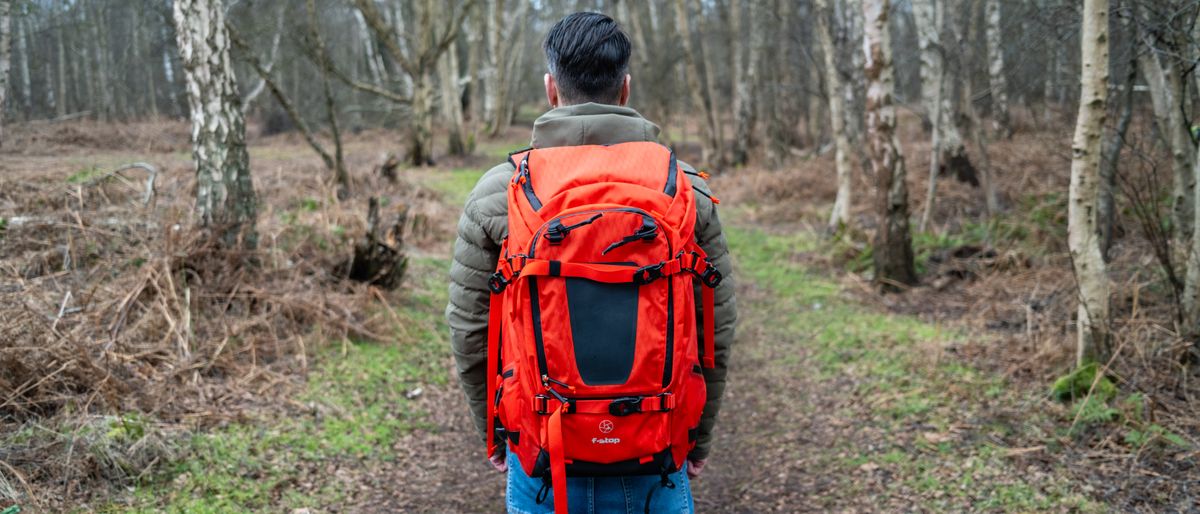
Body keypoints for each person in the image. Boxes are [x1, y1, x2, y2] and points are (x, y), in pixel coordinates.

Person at [446, 12, 737, 513]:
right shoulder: (685, 187)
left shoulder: (501, 191)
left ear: (550, 88)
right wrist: (696, 438)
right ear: (625, 89)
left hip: (542, 453)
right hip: (658, 446)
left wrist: (498, 436)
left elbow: (470, 331)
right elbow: (716, 331)